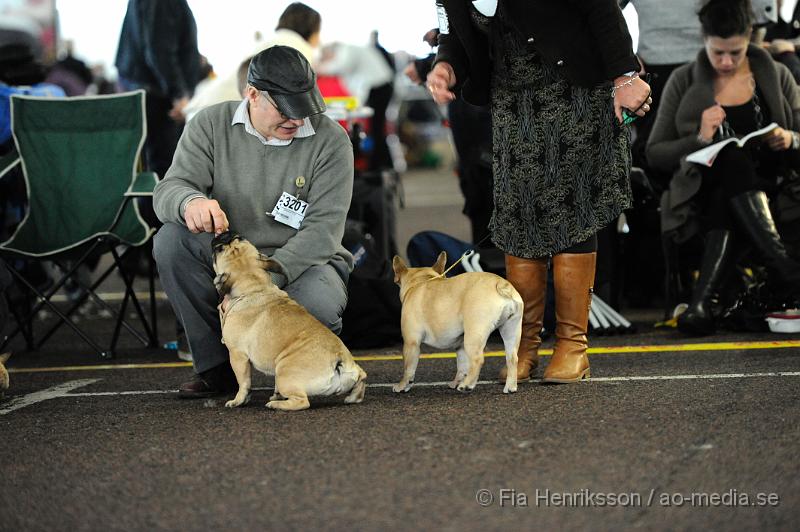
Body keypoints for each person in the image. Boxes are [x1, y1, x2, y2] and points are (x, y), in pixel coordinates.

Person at [427, 0, 651, 384]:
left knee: (572, 209)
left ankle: (572, 346)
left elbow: (600, 9)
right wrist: (445, 65)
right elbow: (454, 34)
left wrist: (625, 77)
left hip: (575, 92)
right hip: (513, 102)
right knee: (518, 215)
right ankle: (524, 345)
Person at [152, 46, 354, 398]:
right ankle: (216, 369)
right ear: (252, 94)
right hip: (232, 257)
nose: (296, 119)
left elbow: (322, 234)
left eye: (305, 107)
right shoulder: (208, 124)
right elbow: (169, 189)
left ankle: (299, 368)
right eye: (285, 109)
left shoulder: (333, 141)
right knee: (171, 241)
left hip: (303, 263)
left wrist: (257, 284)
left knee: (318, 307)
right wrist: (190, 202)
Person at [647, 0, 800, 336]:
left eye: (736, 52)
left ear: (750, 38)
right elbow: (655, 153)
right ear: (704, 39)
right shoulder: (683, 80)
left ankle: (702, 305)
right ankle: (788, 273)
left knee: (730, 185)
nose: (727, 62)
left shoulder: (777, 74)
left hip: (771, 184)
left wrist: (789, 137)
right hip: (702, 190)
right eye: (718, 53)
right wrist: (700, 137)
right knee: (731, 160)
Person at [183, 2, 321, 119]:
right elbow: (298, 102)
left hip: (205, 105)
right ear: (313, 30)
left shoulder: (273, 39)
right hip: (222, 113)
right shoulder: (297, 48)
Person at [115, 0, 202, 185]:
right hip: (158, 96)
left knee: (154, 168)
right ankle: (156, 215)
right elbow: (159, 50)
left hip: (150, 91)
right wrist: (179, 95)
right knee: (163, 170)